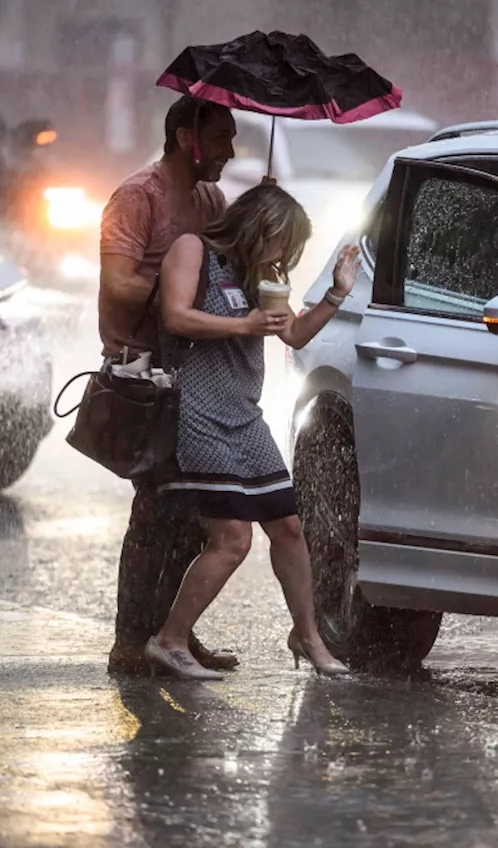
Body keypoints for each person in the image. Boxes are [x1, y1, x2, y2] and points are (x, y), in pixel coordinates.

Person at [143, 184, 361, 680]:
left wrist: (336, 293)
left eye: (290, 249)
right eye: (281, 241)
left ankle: (309, 637)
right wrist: (245, 326)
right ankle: (170, 640)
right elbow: (176, 316)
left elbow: (295, 334)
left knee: (288, 528)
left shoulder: (261, 275)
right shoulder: (193, 249)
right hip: (198, 412)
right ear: (258, 224)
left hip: (245, 416)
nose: (283, 254)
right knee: (233, 539)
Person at [100, 93, 238, 675]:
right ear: (188, 136)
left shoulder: (211, 200)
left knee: (193, 513)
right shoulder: (138, 197)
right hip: (147, 379)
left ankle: (173, 631)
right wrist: (177, 293)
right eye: (223, 138)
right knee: (155, 513)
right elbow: (117, 282)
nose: (230, 152)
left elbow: (227, 270)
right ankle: (130, 642)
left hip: (197, 377)